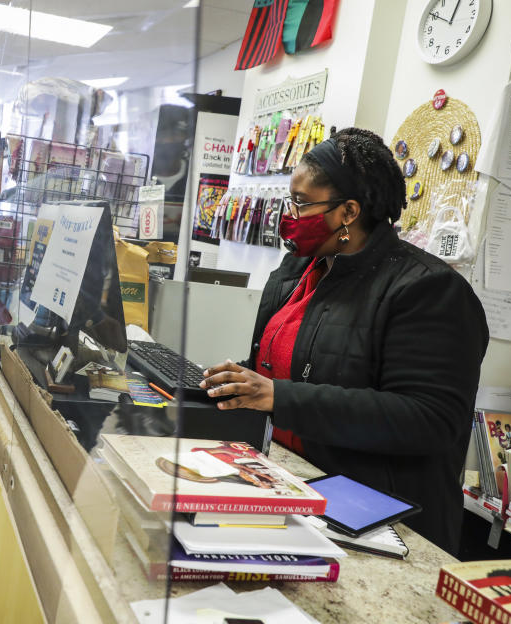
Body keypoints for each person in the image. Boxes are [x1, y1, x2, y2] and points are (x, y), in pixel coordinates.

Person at [199, 128, 488, 555]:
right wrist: (235, 383)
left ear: (349, 211)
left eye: (301, 202)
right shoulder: (299, 269)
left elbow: (430, 420)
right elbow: (282, 364)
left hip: (379, 521)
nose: (290, 213)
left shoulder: (429, 290)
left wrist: (279, 397)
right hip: (294, 485)